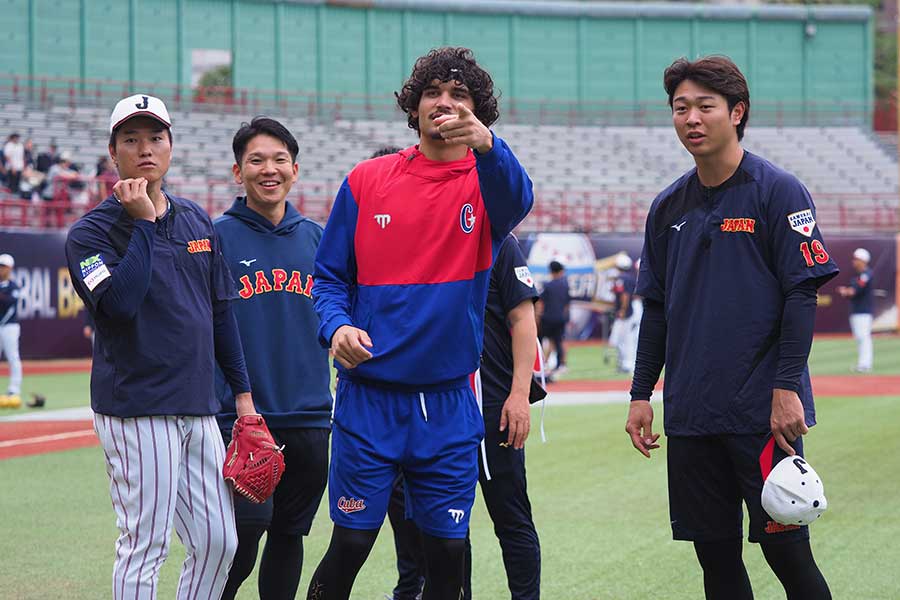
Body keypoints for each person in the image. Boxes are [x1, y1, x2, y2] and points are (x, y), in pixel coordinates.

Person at [307, 46, 533, 600]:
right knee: (351, 545)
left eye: (460, 95)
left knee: (447, 555)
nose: (445, 103)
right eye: (434, 92)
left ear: (478, 110)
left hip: (449, 405)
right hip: (368, 399)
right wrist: (336, 327)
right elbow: (328, 278)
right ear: (414, 106)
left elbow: (519, 199)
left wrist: (488, 146)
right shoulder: (366, 180)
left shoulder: (487, 187)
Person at [625, 56, 837, 600]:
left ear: (736, 112)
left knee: (789, 557)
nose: (691, 118)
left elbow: (801, 292)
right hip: (693, 416)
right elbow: (656, 307)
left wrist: (787, 388)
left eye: (705, 106)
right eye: (680, 108)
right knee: (716, 563)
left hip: (763, 415)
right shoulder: (666, 206)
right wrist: (640, 393)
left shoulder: (778, 190)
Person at [65, 93, 257, 599]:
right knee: (145, 544)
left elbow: (220, 313)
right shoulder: (89, 235)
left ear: (171, 146)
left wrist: (243, 397)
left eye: (156, 137)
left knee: (219, 541)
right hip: (136, 408)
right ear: (114, 153)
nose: (145, 148)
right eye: (132, 139)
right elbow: (120, 306)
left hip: (198, 406)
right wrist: (144, 223)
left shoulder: (197, 221)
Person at [213, 117, 332, 600]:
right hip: (243, 419)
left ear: (296, 170)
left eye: (279, 160)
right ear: (237, 173)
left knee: (289, 535)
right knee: (241, 540)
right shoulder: (215, 236)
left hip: (309, 416)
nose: (269, 169)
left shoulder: (318, 239)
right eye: (256, 160)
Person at [389, 233, 544, 600]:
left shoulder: (498, 238)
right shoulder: (416, 234)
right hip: (431, 409)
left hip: (490, 407)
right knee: (446, 530)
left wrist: (520, 395)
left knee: (511, 518)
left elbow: (523, 317)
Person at [837, 248, 874, 372]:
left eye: (857, 259)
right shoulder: (859, 275)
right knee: (860, 337)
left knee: (863, 337)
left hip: (863, 311)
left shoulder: (865, 274)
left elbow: (854, 291)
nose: (854, 262)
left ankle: (865, 364)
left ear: (863, 261)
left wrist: (845, 291)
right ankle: (863, 363)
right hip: (857, 310)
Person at [537, 260, 570, 378]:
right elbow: (567, 304)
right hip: (560, 318)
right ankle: (561, 364)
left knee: (540, 341)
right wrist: (566, 317)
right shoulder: (565, 285)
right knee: (558, 341)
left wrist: (538, 317)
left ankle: (541, 364)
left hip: (547, 318)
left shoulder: (548, 285)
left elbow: (540, 303)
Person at [608, 253, 638, 374]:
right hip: (629, 311)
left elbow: (625, 295)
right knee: (624, 339)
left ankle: (627, 364)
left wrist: (622, 310)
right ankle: (625, 362)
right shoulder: (629, 277)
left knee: (621, 339)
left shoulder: (622, 278)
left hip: (625, 313)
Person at [0, 253, 22, 409]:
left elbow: (8, 301)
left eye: (4, 267)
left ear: (10, 268)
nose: (1, 269)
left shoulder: (13, 286)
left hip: (10, 326)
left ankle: (14, 390)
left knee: (13, 357)